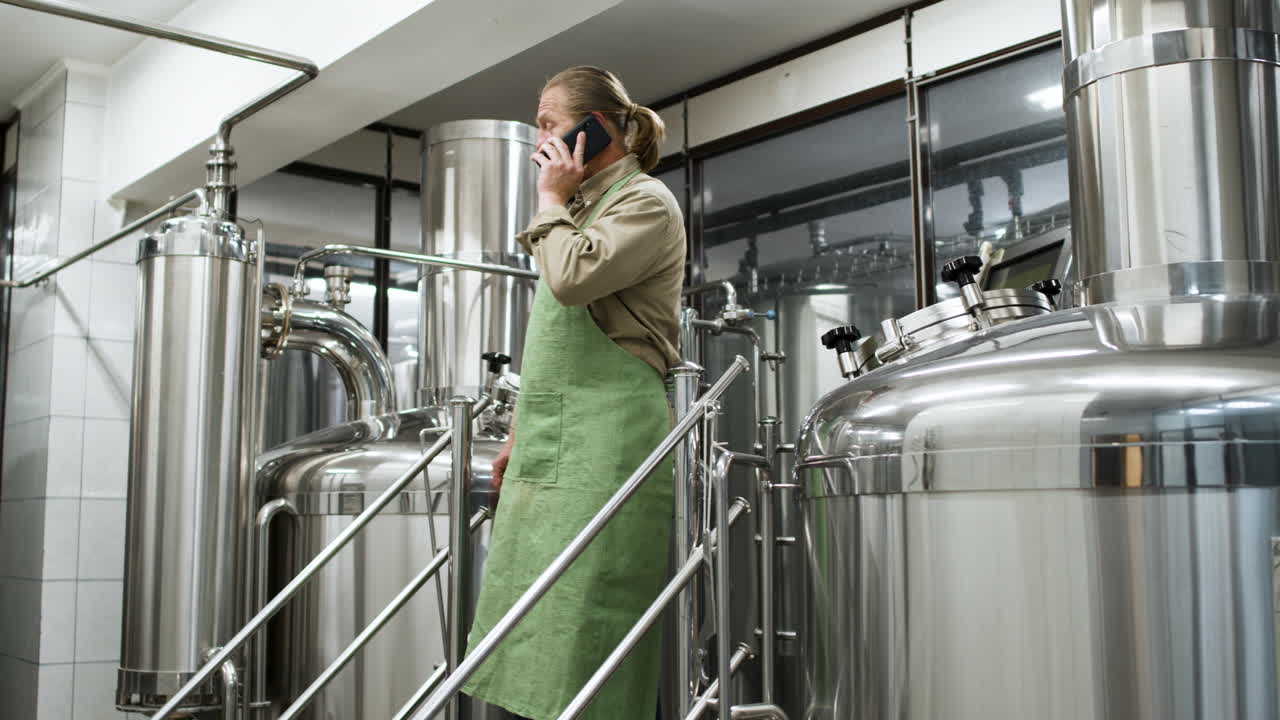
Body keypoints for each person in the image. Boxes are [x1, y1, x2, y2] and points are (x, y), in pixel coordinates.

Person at [461, 66, 686, 720]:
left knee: (592, 617)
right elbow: (552, 340)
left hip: (609, 436)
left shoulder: (644, 202)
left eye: (549, 124)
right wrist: (521, 431)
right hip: (555, 436)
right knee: (530, 612)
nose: (541, 140)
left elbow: (570, 279)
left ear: (598, 127)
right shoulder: (581, 209)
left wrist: (549, 198)